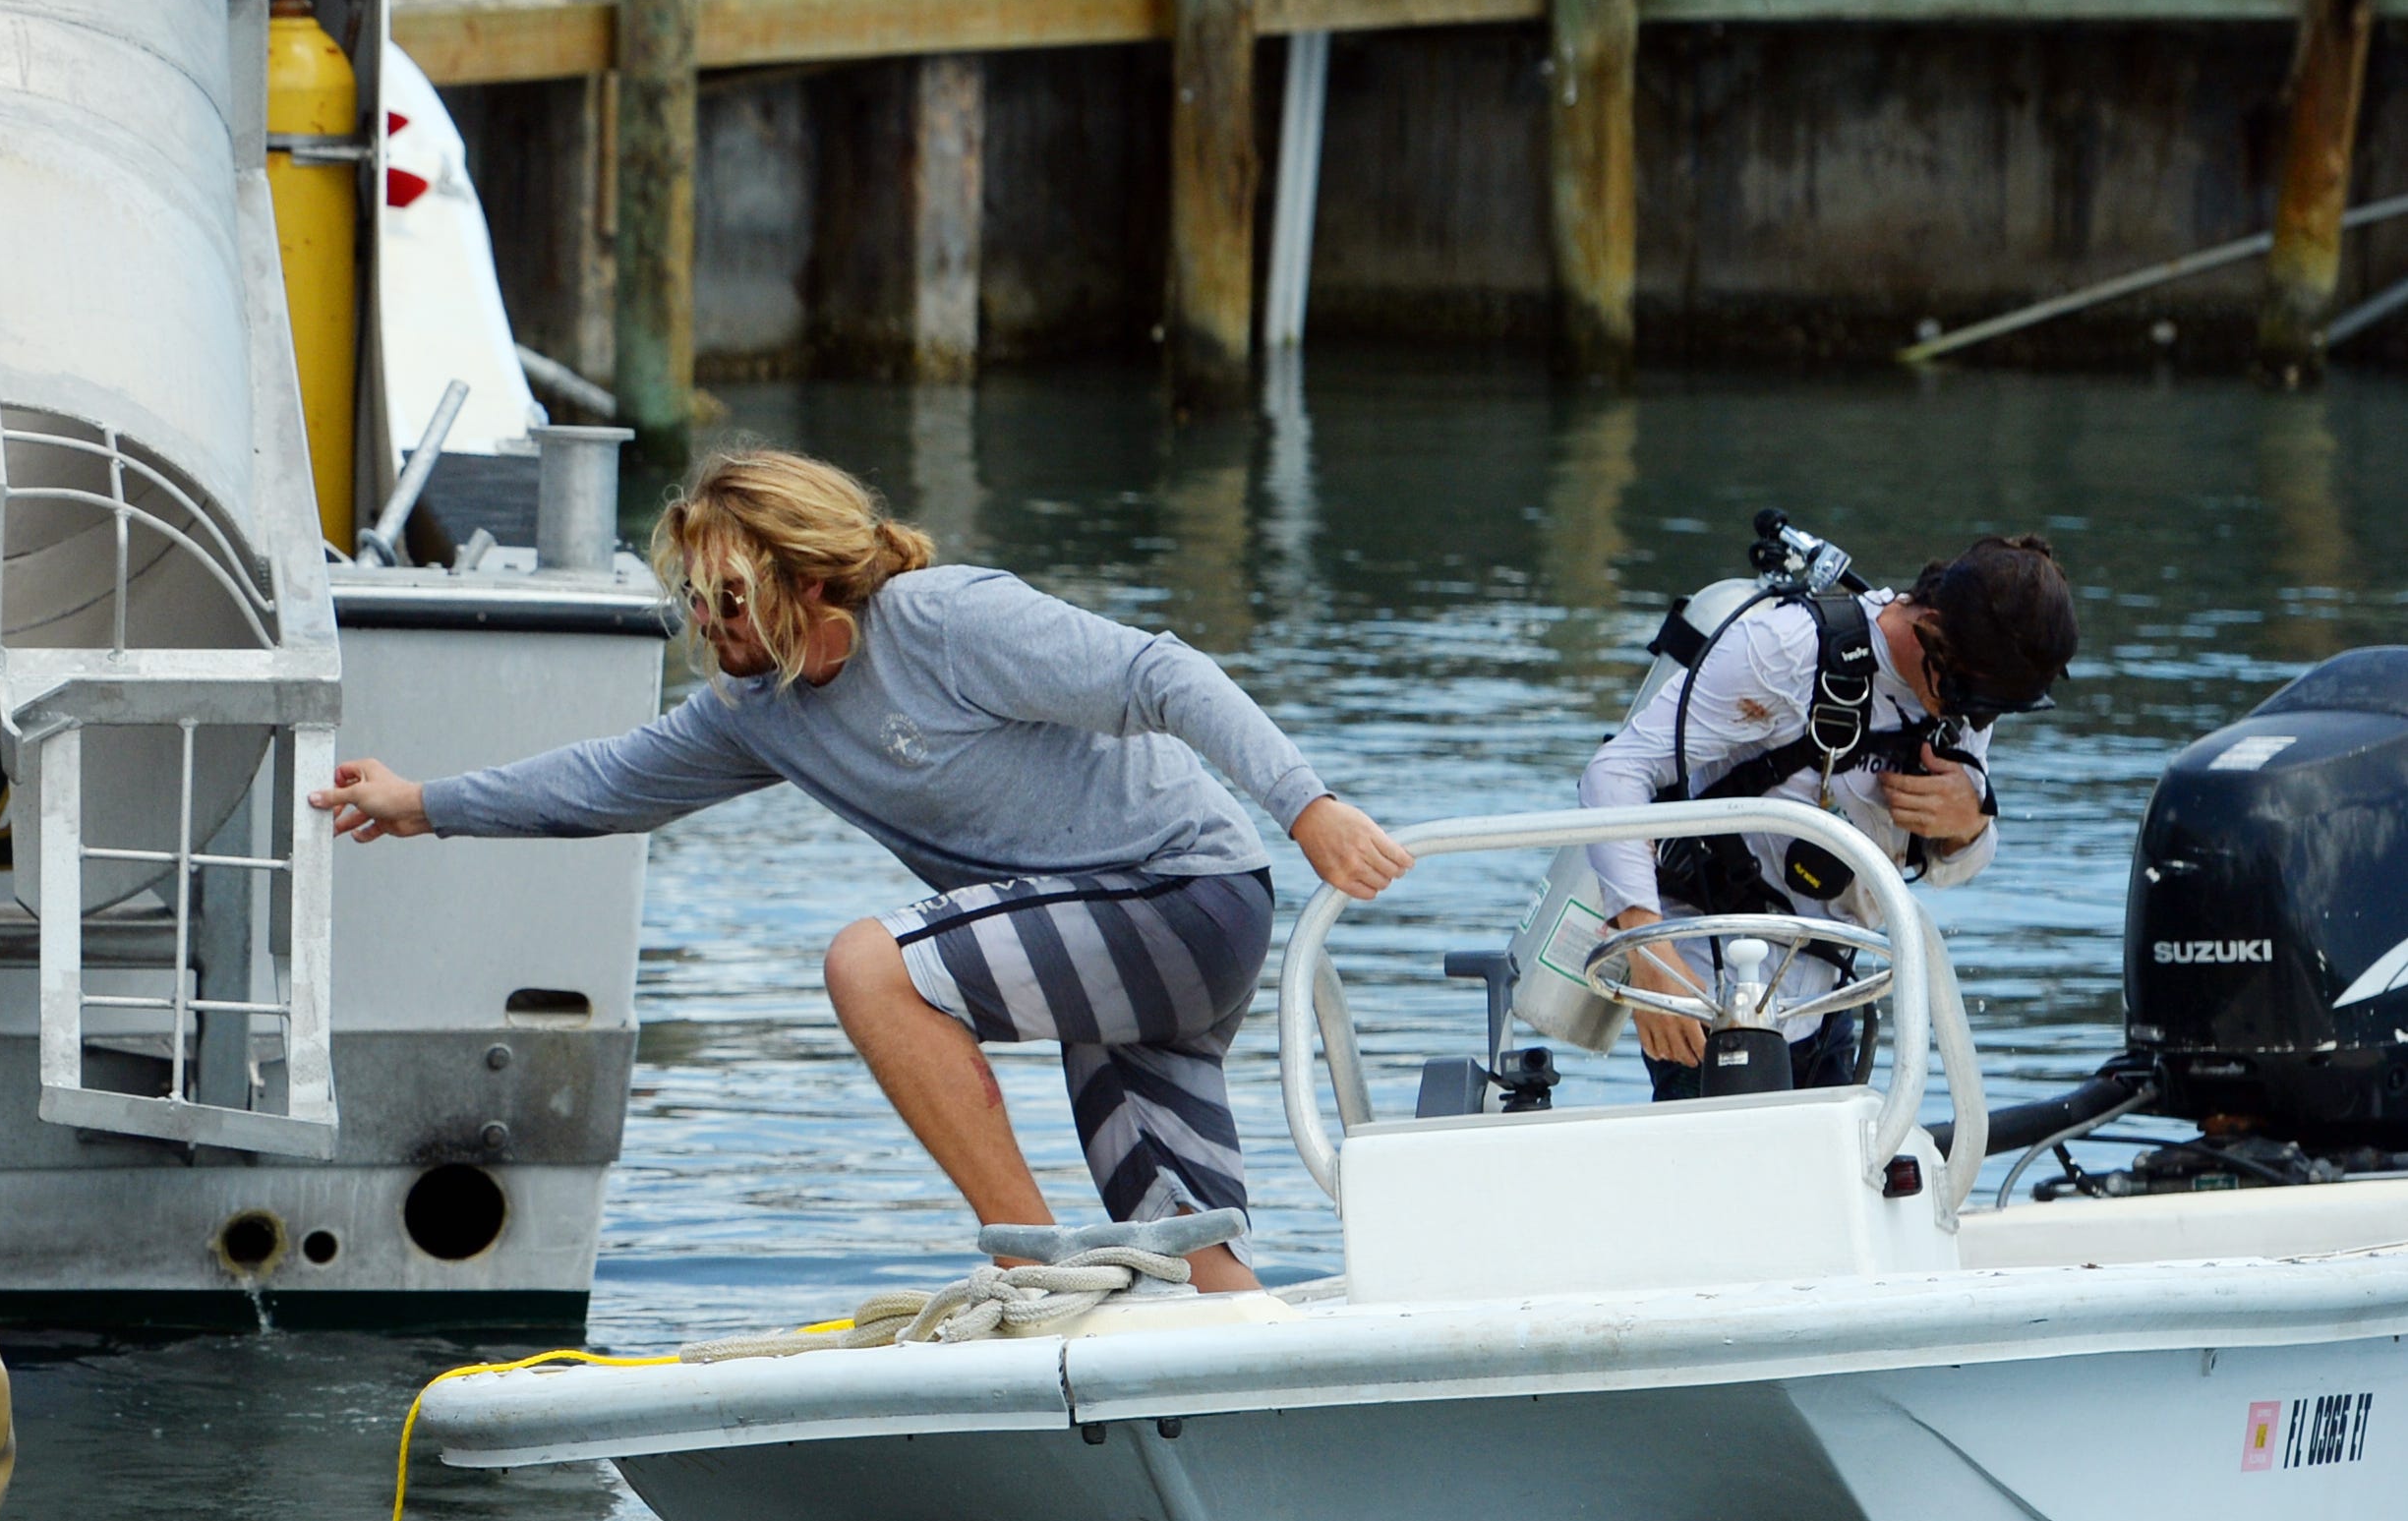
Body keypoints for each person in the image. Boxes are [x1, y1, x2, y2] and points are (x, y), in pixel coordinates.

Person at [308, 450, 1410, 1291]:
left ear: (800, 576)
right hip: (1108, 958)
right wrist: (420, 805)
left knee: (871, 965)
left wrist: (1305, 806)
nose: (706, 624)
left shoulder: (942, 622)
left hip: (1186, 900)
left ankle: (1034, 1270)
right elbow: (603, 782)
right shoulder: (758, 711)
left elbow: (1162, 674)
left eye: (725, 598)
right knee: (1200, 1266)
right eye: (692, 601)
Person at [1579, 534, 2080, 1095]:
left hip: (1829, 992)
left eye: (1992, 710)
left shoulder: (1968, 694)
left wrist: (1969, 827)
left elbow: (1952, 868)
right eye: (1973, 701)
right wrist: (1651, 956)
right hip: (1715, 985)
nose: (1978, 721)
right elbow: (1614, 773)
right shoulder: (1784, 650)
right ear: (1933, 630)